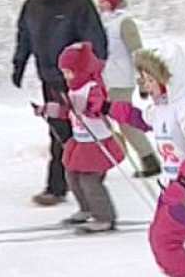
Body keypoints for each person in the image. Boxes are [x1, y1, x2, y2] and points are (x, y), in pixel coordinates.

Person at [93, 43, 185, 277]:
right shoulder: (160, 107)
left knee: (165, 238)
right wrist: (105, 106)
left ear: (169, 79)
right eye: (144, 79)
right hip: (173, 187)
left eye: (152, 79)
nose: (146, 85)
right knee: (159, 236)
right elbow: (138, 118)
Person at [11, 0, 108, 207]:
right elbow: (24, 34)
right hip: (49, 78)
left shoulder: (77, 1)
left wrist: (91, 72)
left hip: (77, 80)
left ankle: (91, 177)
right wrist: (19, 63)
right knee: (58, 131)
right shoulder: (33, 3)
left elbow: (95, 38)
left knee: (82, 131)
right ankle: (57, 186)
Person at [42, 42, 124, 232]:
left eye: (69, 72)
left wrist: (88, 108)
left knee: (89, 180)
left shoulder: (92, 86)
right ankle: (86, 209)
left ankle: (105, 216)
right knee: (72, 176)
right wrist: (48, 109)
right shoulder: (73, 89)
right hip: (80, 142)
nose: (67, 76)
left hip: (96, 143)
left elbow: (99, 105)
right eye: (64, 72)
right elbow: (67, 111)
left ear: (81, 70)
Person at [97, 0, 160, 178]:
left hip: (121, 80)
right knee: (100, 121)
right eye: (100, 0)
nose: (101, 4)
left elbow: (137, 51)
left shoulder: (124, 22)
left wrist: (143, 81)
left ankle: (149, 159)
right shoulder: (101, 23)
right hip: (104, 80)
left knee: (124, 121)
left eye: (105, 0)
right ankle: (100, 161)